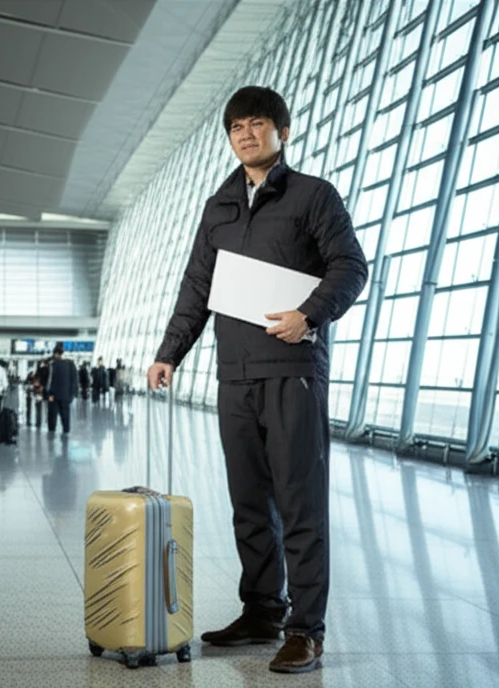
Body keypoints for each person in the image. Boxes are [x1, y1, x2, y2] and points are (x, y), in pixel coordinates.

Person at [146, 86, 368, 674]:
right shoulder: (218, 206)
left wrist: (308, 315)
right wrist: (170, 353)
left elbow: (351, 266)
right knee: (249, 504)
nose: (246, 134)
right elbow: (197, 287)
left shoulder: (314, 196)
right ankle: (264, 610)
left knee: (300, 504)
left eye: (257, 124)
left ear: (282, 132)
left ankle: (306, 630)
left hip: (293, 372)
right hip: (235, 375)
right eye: (236, 127)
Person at [46, 343, 78, 435]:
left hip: (53, 395)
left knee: (52, 415)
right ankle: (66, 430)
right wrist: (72, 394)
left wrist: (49, 393)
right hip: (66, 395)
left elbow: (50, 380)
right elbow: (74, 380)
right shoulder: (71, 364)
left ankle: (52, 430)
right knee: (65, 414)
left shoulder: (52, 364)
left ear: (56, 354)